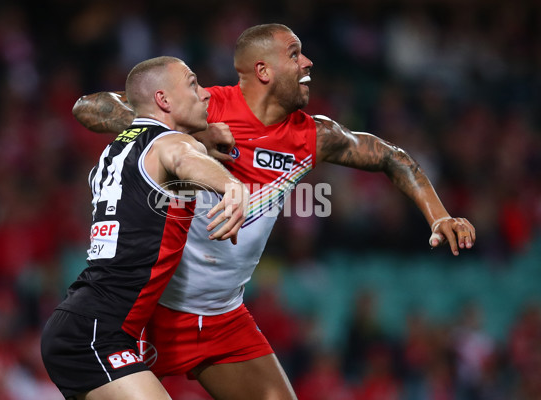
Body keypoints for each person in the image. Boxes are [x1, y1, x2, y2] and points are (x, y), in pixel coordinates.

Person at [72, 24, 476, 400]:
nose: (308, 63)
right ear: (263, 70)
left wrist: (439, 215)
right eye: (295, 54)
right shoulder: (200, 107)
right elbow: (88, 108)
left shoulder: (315, 135)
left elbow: (393, 158)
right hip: (152, 312)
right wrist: (181, 130)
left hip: (222, 318)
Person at [40, 56, 249, 400]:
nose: (206, 95)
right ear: (164, 100)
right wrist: (232, 186)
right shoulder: (170, 144)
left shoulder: (118, 148)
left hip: (89, 322)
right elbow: (182, 157)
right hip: (94, 333)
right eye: (193, 84)